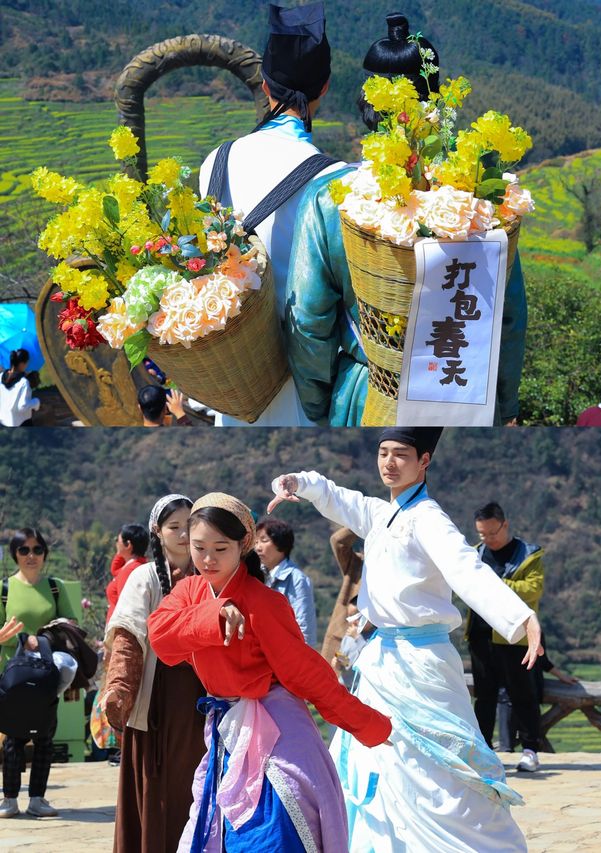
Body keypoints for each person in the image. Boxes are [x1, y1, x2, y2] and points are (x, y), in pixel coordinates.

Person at [269, 427, 542, 853]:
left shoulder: (428, 518)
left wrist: (519, 617)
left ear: (424, 461)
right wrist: (300, 484)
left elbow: (465, 569)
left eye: (401, 454)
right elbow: (342, 499)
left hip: (422, 660)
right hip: (382, 663)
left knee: (433, 765)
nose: (389, 462)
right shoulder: (383, 514)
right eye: (383, 453)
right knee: (371, 756)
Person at [285, 13, 528, 426]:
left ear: (367, 106)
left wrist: (318, 406)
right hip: (461, 390)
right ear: (436, 108)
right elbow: (507, 315)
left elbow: (309, 321)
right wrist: (504, 405)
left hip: (370, 389)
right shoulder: (480, 201)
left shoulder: (331, 199)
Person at [147, 492, 392, 853]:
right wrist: (214, 614)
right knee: (223, 830)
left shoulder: (264, 603)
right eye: (199, 548)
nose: (208, 559)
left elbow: (308, 674)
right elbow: (161, 639)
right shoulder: (189, 591)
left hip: (276, 730)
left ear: (243, 545)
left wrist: (370, 725)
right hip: (228, 729)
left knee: (272, 833)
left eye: (220, 548)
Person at [198, 1, 344, 427]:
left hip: (237, 378)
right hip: (303, 379)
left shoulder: (216, 161)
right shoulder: (337, 180)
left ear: (265, 85)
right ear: (326, 88)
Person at [103, 494, 205, 853]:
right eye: (174, 527)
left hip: (203, 697)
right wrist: (120, 689)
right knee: (157, 787)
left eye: (189, 525)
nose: (182, 534)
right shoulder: (144, 577)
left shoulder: (210, 574)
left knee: (197, 783)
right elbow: (127, 637)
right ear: (157, 532)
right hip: (156, 698)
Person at [0, 528, 76, 819]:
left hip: (46, 676)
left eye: (37, 550)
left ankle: (38, 799)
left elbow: (71, 625)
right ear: (15, 554)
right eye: (24, 550)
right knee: (13, 738)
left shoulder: (55, 587)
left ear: (45, 553)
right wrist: (15, 638)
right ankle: (9, 800)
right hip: (13, 677)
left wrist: (43, 637)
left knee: (44, 736)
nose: (31, 556)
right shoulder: (5, 589)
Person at [466, 501, 544, 772]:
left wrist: (494, 583)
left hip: (514, 638)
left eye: (492, 533)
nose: (488, 539)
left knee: (522, 694)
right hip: (480, 636)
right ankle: (484, 752)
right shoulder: (474, 554)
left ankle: (531, 749)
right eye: (482, 534)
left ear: (505, 524)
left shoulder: (528, 555)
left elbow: (531, 590)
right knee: (484, 697)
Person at [254, 516, 317, 644]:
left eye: (264, 540)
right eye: (256, 542)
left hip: (283, 654)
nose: (258, 548)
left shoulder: (297, 579)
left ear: (281, 544)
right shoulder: (255, 574)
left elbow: (304, 626)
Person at [321, 527, 363, 663]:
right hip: (342, 638)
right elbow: (338, 540)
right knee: (333, 677)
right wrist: (364, 521)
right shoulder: (357, 564)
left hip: (375, 644)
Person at [105, 523, 149, 624]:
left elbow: (126, 606)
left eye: (118, 540)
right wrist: (122, 551)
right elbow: (115, 570)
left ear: (128, 544)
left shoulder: (130, 571)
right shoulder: (136, 565)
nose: (116, 543)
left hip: (121, 628)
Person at [0, 348, 41, 427]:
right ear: (22, 364)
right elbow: (22, 406)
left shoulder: (1, 376)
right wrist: (36, 402)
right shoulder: (23, 382)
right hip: (20, 423)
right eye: (27, 363)